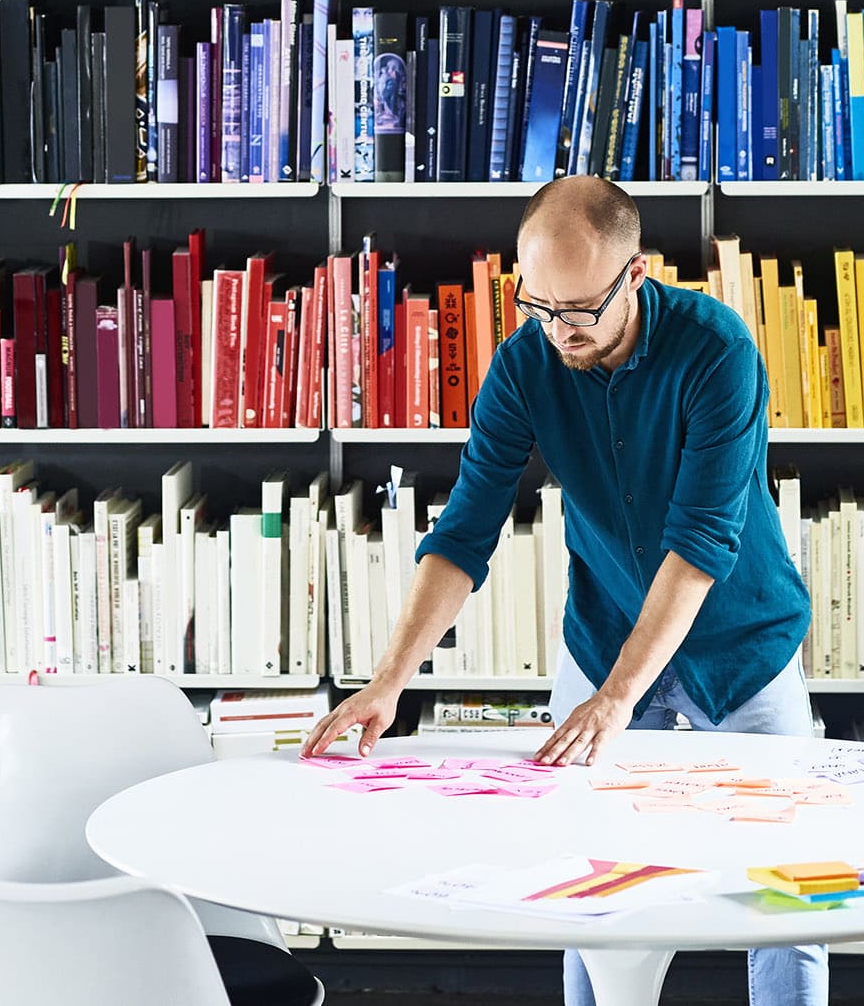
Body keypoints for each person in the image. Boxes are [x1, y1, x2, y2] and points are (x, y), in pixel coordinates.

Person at [299, 175, 821, 1006]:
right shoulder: (524, 364)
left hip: (741, 645)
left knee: (787, 884)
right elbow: (465, 532)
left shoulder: (717, 353)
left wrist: (617, 699)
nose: (557, 331)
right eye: (537, 306)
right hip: (604, 631)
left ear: (636, 275)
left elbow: (699, 546)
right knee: (581, 879)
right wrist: (390, 680)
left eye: (578, 310)